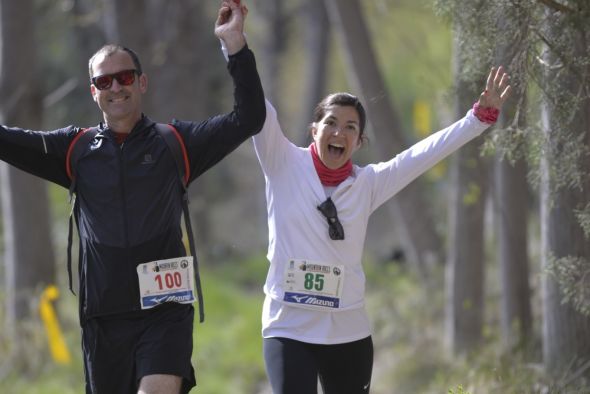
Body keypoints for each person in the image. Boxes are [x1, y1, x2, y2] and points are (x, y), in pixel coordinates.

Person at [0, 1, 264, 393]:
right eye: (104, 82)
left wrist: (235, 45)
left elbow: (249, 117)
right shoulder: (74, 149)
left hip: (164, 311)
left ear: (141, 82)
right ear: (94, 92)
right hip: (103, 318)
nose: (116, 87)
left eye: (124, 77)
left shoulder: (176, 143)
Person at [253, 67, 511, 393]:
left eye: (350, 127)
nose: (338, 132)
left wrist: (478, 119)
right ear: (313, 129)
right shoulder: (282, 164)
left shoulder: (368, 183)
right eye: (330, 122)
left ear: (359, 142)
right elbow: (257, 108)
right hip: (288, 326)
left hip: (347, 332)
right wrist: (235, 48)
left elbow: (422, 155)